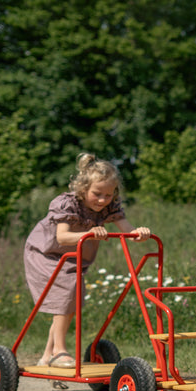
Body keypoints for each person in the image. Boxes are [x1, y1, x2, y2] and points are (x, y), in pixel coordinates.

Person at [24, 153, 151, 369]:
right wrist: (89, 233)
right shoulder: (67, 203)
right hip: (45, 252)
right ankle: (59, 351)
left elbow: (128, 231)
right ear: (83, 188)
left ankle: (47, 355)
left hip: (72, 255)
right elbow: (61, 237)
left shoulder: (110, 206)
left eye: (108, 194)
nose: (103, 200)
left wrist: (139, 232)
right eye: (97, 193)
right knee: (68, 293)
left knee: (71, 300)